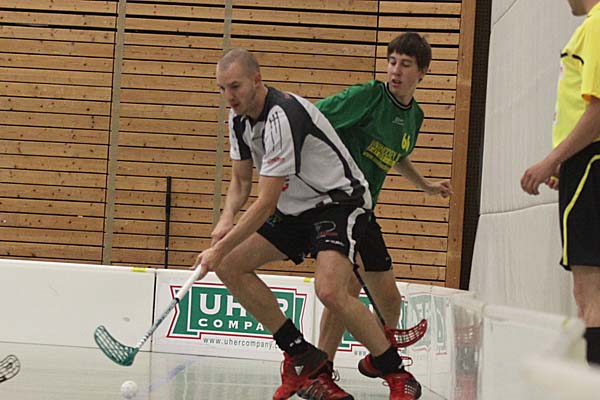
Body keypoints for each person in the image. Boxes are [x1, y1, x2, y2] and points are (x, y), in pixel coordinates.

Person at [191, 48, 412, 400]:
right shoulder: (238, 120)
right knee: (231, 265)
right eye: (222, 89)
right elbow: (240, 182)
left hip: (338, 203)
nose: (229, 97)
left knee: (331, 291)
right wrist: (227, 216)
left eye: (235, 86)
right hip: (295, 211)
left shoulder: (283, 115)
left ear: (256, 80)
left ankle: (396, 373)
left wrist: (219, 248)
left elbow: (265, 202)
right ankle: (301, 355)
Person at [274, 33, 452, 400]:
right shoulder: (368, 96)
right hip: (337, 204)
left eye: (405, 64)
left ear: (422, 72)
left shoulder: (414, 116)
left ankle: (369, 359)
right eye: (392, 62)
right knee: (343, 290)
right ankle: (322, 371)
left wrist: (426, 186)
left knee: (388, 300)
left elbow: (397, 154)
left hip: (364, 209)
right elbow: (310, 118)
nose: (395, 71)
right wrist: (290, 170)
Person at [520, 0, 600, 366]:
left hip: (590, 164)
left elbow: (597, 111)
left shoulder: (596, 25)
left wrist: (553, 159)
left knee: (589, 292)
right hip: (584, 163)